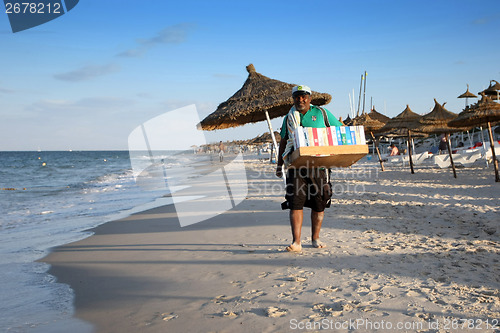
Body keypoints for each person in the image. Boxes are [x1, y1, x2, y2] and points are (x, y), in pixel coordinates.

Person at [276, 85, 343, 252]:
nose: (300, 99)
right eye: (297, 97)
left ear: (310, 98)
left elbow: (339, 128)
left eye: (304, 96)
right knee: (295, 202)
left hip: (319, 166)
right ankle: (296, 242)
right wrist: (279, 165)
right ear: (293, 99)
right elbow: (284, 141)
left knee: (319, 202)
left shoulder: (322, 114)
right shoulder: (289, 117)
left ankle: (315, 238)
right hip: (295, 166)